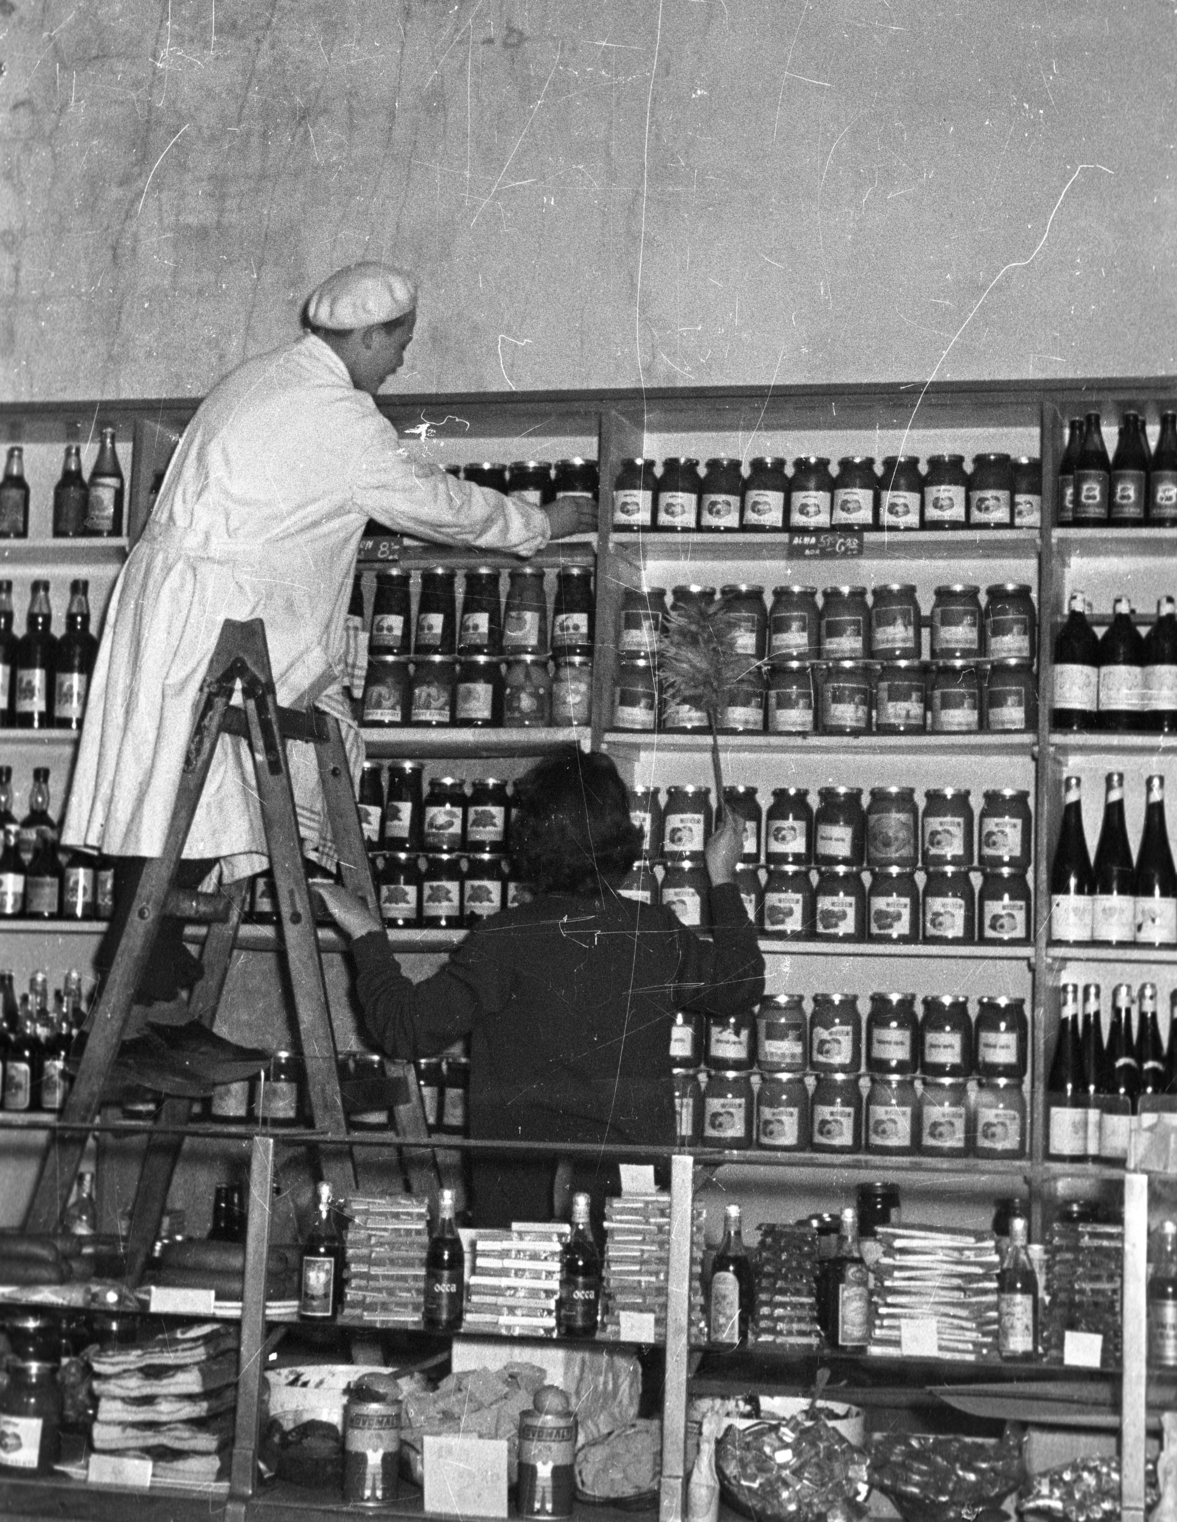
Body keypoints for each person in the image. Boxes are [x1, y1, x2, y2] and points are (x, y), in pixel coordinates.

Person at [63, 262, 596, 999]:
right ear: (369, 335)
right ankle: (142, 969)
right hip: (227, 615)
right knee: (204, 780)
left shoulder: (258, 377)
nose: (402, 358)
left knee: (169, 780)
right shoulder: (341, 418)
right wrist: (540, 523)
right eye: (399, 343)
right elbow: (436, 504)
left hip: (175, 603)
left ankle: (145, 964)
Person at [317, 748, 765, 1226]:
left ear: (530, 838)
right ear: (621, 832)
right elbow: (742, 983)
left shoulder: (504, 938)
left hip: (519, 1199)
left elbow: (403, 1030)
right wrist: (721, 877)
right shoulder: (655, 930)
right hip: (629, 1204)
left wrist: (365, 933)